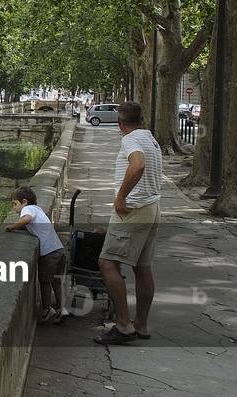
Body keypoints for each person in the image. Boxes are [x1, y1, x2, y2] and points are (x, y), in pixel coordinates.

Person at [94, 100, 163, 345]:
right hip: (152, 208)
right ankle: (141, 325)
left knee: (107, 262)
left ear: (120, 123)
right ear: (142, 119)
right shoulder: (150, 139)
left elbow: (138, 164)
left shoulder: (130, 140)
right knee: (142, 268)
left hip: (133, 211)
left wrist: (121, 196)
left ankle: (123, 326)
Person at [6, 186, 68, 324]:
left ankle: (47, 310)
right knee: (57, 282)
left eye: (15, 204)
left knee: (45, 282)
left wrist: (12, 226)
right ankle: (61, 308)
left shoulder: (27, 210)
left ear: (24, 202)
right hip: (58, 249)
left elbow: (27, 219)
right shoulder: (38, 209)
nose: (14, 208)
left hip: (48, 253)